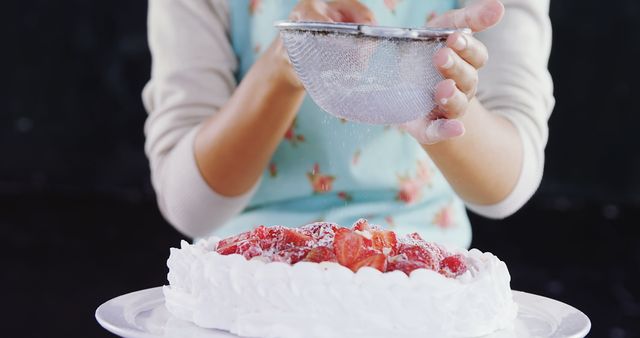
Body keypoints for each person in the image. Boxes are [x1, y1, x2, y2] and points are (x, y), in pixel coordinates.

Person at [143, 0, 553, 248]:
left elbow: (506, 187)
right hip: (243, 271)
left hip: (421, 275)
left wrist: (427, 90)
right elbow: (189, 207)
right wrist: (288, 62)